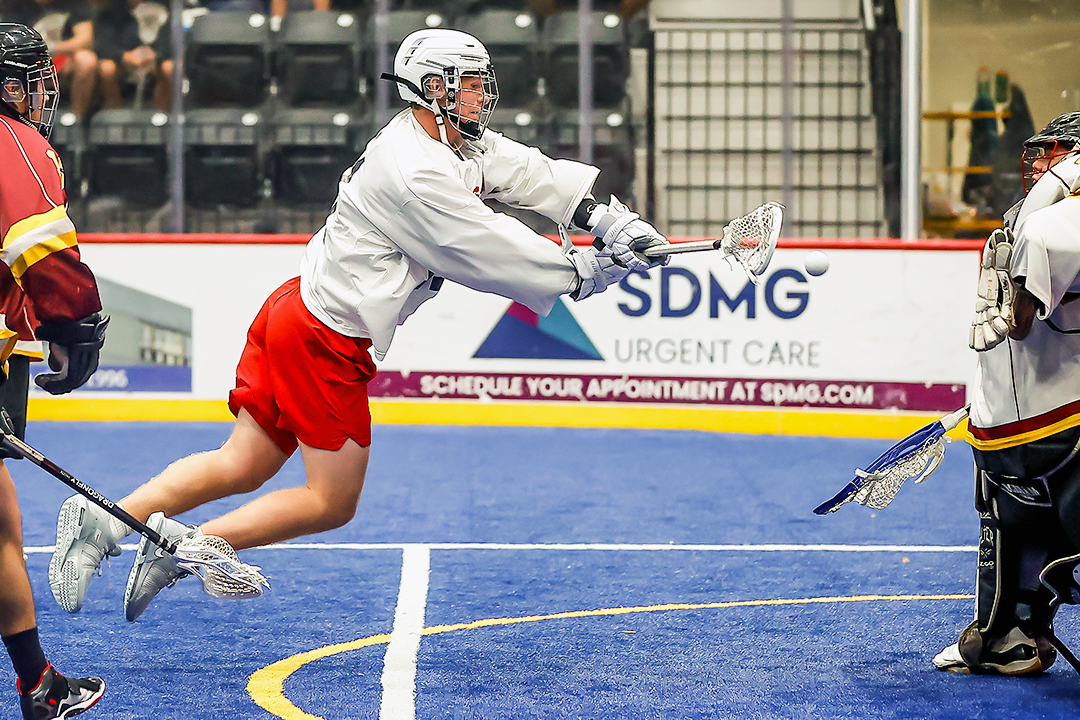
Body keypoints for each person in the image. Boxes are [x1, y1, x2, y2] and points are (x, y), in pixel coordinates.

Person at [47, 27, 669, 622]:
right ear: (434, 88)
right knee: (331, 502)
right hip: (324, 340)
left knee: (242, 463)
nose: (483, 95)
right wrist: (586, 270)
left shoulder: (447, 140)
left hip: (295, 311)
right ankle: (187, 547)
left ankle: (102, 521)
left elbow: (526, 172)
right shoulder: (414, 173)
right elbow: (488, 250)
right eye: (472, 83)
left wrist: (610, 221)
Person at [934, 111, 1080, 676]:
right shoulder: (1038, 215)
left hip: (1062, 416)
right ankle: (1009, 636)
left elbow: (1019, 317)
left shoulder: (1054, 219)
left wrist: (1017, 294)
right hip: (1025, 415)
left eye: (1055, 151)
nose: (1040, 162)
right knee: (1010, 521)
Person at [0, 23, 109, 718]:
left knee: (0, 523)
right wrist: (74, 326)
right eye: (35, 80)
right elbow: (39, 247)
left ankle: (37, 683)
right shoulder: (12, 141)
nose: (46, 93)